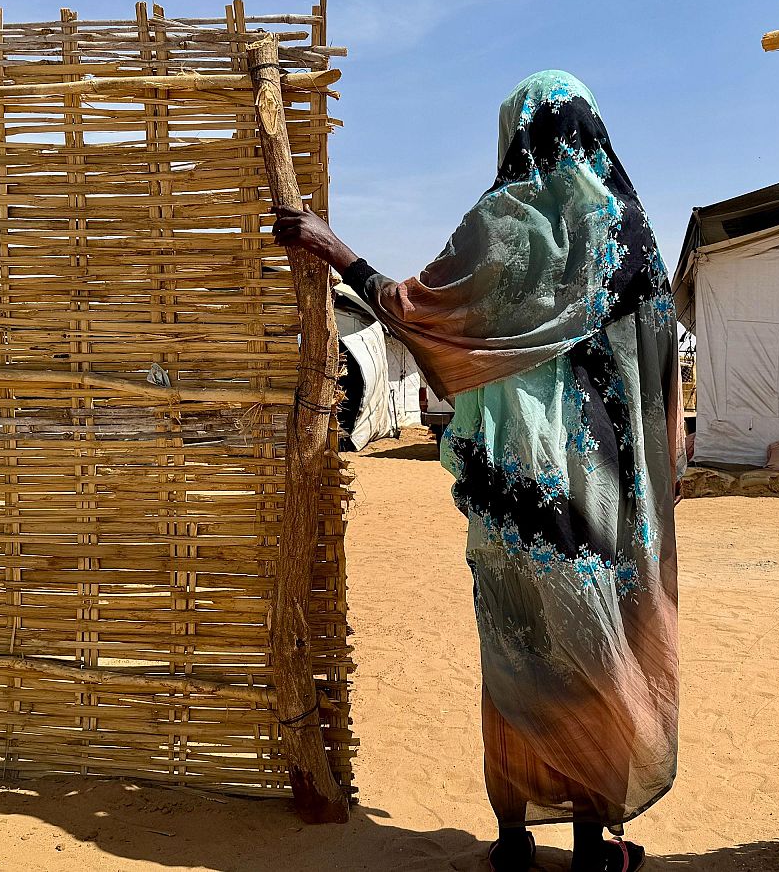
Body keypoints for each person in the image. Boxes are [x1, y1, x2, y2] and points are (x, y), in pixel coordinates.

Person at [273, 70, 683, 872]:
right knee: (592, 649)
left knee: (516, 649)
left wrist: (332, 248)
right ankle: (597, 847)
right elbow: (661, 369)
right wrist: (661, 471)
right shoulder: (627, 228)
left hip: (511, 496)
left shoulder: (501, 228)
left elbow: (411, 310)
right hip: (599, 495)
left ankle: (511, 838)